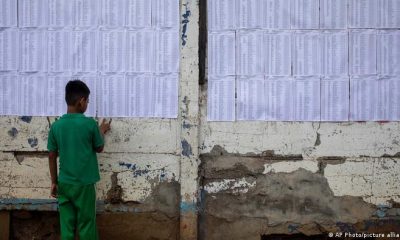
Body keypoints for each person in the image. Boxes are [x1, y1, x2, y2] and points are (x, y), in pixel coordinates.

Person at [47, 80, 111, 240]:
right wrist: (101, 130)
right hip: (84, 184)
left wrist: (54, 182)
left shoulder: (56, 126)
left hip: (64, 183)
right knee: (86, 224)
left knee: (67, 227)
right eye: (88, 101)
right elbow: (99, 147)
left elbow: (52, 155)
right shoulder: (90, 124)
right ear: (81, 101)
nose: (87, 104)